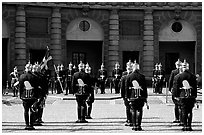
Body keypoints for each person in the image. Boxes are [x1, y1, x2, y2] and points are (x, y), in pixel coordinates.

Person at [172, 60, 197, 131]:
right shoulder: (192, 76)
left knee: (184, 111)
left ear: (182, 68)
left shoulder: (178, 76)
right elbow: (195, 87)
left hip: (182, 95)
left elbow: (176, 88)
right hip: (191, 96)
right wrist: (195, 96)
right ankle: (189, 125)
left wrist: (175, 96)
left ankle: (185, 125)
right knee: (190, 111)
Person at [125, 62, 148, 131]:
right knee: (140, 110)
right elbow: (145, 88)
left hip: (132, 96)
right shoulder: (142, 76)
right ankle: (139, 125)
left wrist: (127, 97)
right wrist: (145, 97)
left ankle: (134, 125)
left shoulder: (129, 76)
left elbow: (126, 88)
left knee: (133, 110)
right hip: (141, 96)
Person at [19, 62, 39, 130]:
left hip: (25, 96)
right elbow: (36, 87)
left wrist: (20, 95)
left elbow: (20, 87)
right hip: (32, 96)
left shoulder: (22, 76)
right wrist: (37, 96)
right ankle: (31, 124)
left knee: (26, 110)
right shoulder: (34, 76)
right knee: (32, 110)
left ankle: (27, 124)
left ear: (25, 68)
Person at [168, 59, 182, 124]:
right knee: (181, 105)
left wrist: (170, 88)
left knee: (176, 105)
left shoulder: (174, 72)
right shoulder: (183, 72)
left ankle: (177, 118)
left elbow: (170, 80)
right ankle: (181, 119)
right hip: (182, 90)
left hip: (175, 90)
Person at [120, 60, 133, 126]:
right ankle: (130, 119)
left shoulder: (131, 75)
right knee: (130, 107)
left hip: (128, 93)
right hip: (129, 93)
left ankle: (129, 120)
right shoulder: (124, 74)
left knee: (129, 108)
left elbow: (122, 86)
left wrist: (122, 95)